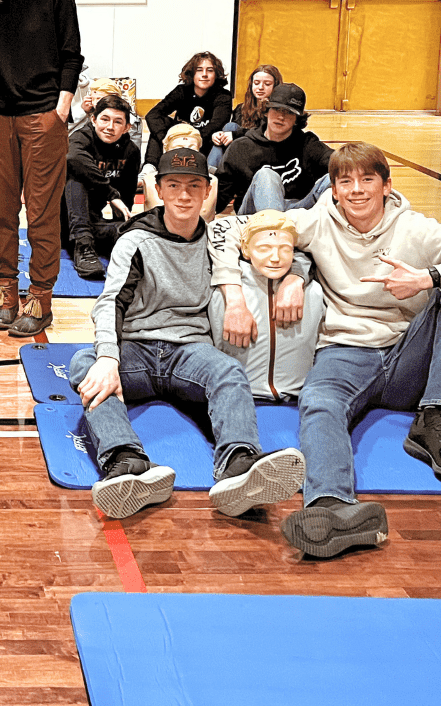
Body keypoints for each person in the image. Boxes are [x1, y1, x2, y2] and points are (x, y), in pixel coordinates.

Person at [211, 142, 441, 558]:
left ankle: (434, 414)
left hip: (412, 353)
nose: (356, 190)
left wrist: (427, 279)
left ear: (386, 186)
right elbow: (231, 233)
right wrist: (246, 292)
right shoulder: (318, 220)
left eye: (367, 179)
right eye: (345, 181)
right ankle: (333, 506)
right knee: (318, 403)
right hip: (346, 350)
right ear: (332, 190)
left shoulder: (417, 229)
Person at [68, 147, 305, 520]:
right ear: (158, 191)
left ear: (207, 191)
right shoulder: (136, 240)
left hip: (189, 351)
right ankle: (126, 461)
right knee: (84, 362)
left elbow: (285, 242)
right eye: (173, 185)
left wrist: (296, 276)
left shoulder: (220, 238)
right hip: (138, 350)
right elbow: (109, 302)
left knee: (227, 370)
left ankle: (238, 464)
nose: (183, 195)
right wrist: (108, 359)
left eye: (193, 186)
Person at [0, 0, 81, 337]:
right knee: (1, 210)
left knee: (41, 213)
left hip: (43, 117)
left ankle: (40, 294)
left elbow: (71, 53)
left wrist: (61, 109)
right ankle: (5, 288)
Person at [207, 209, 322, 400]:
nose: (275, 257)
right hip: (237, 398)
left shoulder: (314, 292)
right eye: (264, 248)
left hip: (300, 398)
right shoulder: (220, 295)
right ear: (245, 250)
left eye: (285, 249)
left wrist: (297, 277)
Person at [213, 82, 333, 215]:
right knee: (266, 175)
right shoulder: (241, 147)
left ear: (297, 119)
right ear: (266, 111)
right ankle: (273, 231)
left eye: (289, 112)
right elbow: (220, 195)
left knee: (337, 176)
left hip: (297, 213)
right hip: (255, 218)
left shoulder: (308, 144)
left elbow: (338, 163)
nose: (281, 117)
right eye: (277, 109)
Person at [65, 95, 140, 279]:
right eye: (104, 119)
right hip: (61, 221)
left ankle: (91, 241)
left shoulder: (130, 151)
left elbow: (126, 196)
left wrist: (122, 229)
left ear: (126, 128)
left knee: (132, 232)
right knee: (77, 174)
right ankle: (83, 246)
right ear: (93, 119)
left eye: (117, 122)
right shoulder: (81, 138)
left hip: (94, 222)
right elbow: (72, 157)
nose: (110, 127)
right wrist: (110, 194)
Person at [143, 51, 233, 168]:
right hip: (176, 142)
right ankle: (149, 167)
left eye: (210, 70)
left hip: (203, 144)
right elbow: (153, 115)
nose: (204, 74)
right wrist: (167, 139)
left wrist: (190, 141)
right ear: (192, 73)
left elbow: (216, 125)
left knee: (220, 133)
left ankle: (208, 169)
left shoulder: (223, 95)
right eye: (199, 70)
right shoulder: (182, 91)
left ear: (216, 74)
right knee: (160, 123)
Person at [208, 64, 282, 169]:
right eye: (256, 83)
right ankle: (212, 171)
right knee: (230, 127)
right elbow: (233, 133)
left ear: (275, 86)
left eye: (267, 84)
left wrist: (235, 135)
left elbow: (264, 134)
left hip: (264, 152)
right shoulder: (241, 108)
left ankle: (210, 172)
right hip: (239, 152)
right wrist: (218, 136)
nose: (260, 87)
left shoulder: (278, 111)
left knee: (231, 129)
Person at [140, 123, 218, 222]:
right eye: (178, 148)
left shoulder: (213, 181)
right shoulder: (149, 180)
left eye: (192, 148)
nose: (185, 154)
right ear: (166, 150)